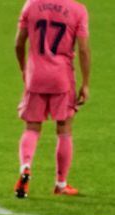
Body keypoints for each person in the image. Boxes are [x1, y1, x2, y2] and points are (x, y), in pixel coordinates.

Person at [13, 0, 91, 198]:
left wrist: (24, 68)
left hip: (36, 76)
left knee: (32, 127)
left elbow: (19, 43)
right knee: (64, 129)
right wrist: (86, 83)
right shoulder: (77, 10)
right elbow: (83, 49)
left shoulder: (31, 5)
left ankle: (25, 167)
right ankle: (61, 183)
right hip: (62, 78)